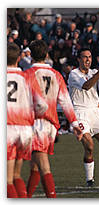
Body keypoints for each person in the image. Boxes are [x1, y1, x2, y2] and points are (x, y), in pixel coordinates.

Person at [25, 40, 83, 198]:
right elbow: (65, 101)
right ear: (46, 55)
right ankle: (26, 197)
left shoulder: (28, 74)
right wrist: (74, 124)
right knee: (35, 166)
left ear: (31, 55)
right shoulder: (56, 75)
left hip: (37, 123)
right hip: (51, 126)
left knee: (43, 166)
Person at [68, 48, 99, 187]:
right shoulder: (73, 74)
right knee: (89, 146)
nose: (88, 59)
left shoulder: (94, 72)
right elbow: (86, 86)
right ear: (79, 59)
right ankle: (90, 180)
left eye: (89, 57)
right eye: (84, 57)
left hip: (95, 112)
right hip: (79, 112)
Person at [7, 43, 48, 198]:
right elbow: (42, 105)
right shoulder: (27, 77)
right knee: (17, 175)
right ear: (19, 58)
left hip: (8, 129)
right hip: (25, 131)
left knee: (7, 180)